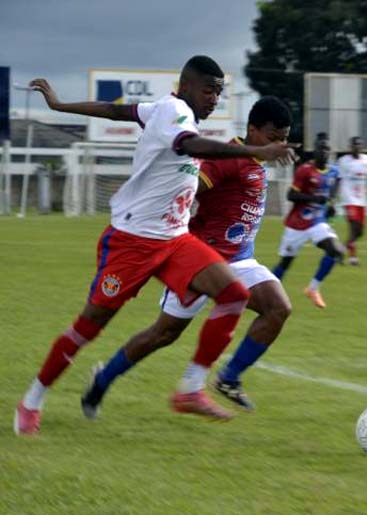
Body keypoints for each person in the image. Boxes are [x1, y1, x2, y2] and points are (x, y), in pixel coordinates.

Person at [13, 56, 296, 435]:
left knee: (233, 295)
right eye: (209, 91)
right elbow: (189, 145)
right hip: (132, 241)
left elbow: (118, 111)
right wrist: (252, 153)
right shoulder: (175, 112)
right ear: (187, 86)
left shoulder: (164, 109)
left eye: (219, 92)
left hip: (175, 239)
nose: (215, 99)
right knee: (90, 327)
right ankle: (32, 400)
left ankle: (191, 389)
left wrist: (60, 105)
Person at [80, 96, 295, 417]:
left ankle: (227, 378)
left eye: (283, 139)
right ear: (252, 130)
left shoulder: (256, 162)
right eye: (273, 137)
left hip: (240, 260)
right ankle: (103, 379)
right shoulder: (226, 160)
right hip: (202, 262)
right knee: (163, 334)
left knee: (278, 308)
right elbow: (188, 188)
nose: (278, 145)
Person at [272, 134, 346, 308]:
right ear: (315, 151)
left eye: (327, 149)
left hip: (317, 222)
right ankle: (266, 292)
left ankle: (313, 289)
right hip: (296, 224)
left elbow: (333, 188)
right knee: (285, 263)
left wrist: (331, 204)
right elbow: (291, 195)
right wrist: (313, 198)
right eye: (321, 149)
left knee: (335, 250)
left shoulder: (333, 172)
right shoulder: (305, 170)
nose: (324, 152)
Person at [336, 136, 367, 265]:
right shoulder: (343, 161)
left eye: (359, 145)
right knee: (353, 227)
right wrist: (333, 196)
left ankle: (341, 250)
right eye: (355, 145)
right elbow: (338, 179)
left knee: (360, 232)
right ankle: (353, 258)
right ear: (350, 147)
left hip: (362, 200)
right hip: (348, 199)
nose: (357, 147)